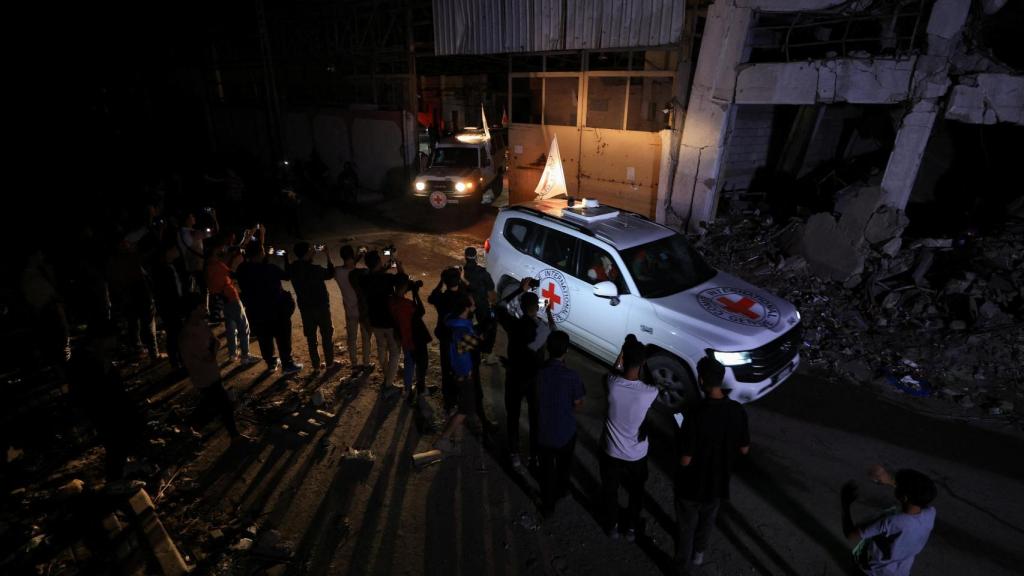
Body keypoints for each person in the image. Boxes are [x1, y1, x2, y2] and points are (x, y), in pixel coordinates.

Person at [674, 351, 750, 574]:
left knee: (686, 526)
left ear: (700, 380)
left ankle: (680, 567)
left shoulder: (695, 413)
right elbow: (744, 448)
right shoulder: (737, 411)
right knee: (707, 520)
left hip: (692, 484)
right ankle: (699, 553)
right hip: (718, 482)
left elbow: (685, 460)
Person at [601, 335, 659, 542]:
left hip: (611, 452)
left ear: (624, 358)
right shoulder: (649, 393)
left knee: (610, 490)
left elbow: (614, 369)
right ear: (643, 363)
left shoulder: (612, 384)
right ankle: (632, 529)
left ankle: (612, 526)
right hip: (636, 454)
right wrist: (644, 362)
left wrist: (622, 353)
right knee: (636, 492)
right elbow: (652, 381)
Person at [495, 278, 554, 469]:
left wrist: (520, 289)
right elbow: (554, 330)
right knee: (535, 416)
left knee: (513, 415)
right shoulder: (542, 328)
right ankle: (534, 456)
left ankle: (514, 454)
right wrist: (549, 311)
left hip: (515, 375)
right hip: (535, 377)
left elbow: (500, 306)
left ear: (520, 306)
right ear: (536, 308)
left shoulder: (514, 324)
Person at [179, 294, 249, 442]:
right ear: (193, 310)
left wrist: (212, 348)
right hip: (203, 377)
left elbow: (215, 343)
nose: (206, 308)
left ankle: (187, 426)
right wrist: (213, 348)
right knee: (224, 405)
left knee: (209, 404)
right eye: (201, 306)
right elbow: (210, 353)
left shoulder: (200, 324)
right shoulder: (190, 334)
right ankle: (234, 435)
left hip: (211, 372)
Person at [841, 466, 937, 576]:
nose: (895, 484)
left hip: (870, 572)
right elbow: (915, 495)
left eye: (898, 484)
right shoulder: (930, 513)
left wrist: (845, 504)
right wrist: (889, 480)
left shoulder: (891, 521)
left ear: (904, 497)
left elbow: (850, 534)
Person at [234, 229, 303, 375]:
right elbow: (287, 276)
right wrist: (285, 258)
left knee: (264, 338)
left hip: (256, 311)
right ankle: (287, 363)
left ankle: (271, 363)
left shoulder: (242, 270)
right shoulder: (270, 268)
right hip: (276, 310)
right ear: (261, 253)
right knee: (283, 337)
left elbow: (243, 264)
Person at [534, 330, 584, 515]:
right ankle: (563, 490)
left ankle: (548, 506)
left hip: (544, 432)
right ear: (567, 351)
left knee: (547, 471)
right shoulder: (572, 376)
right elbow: (578, 404)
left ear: (547, 348)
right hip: (566, 432)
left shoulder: (539, 373)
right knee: (564, 466)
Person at [436, 293, 483, 453]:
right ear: (466, 308)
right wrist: (482, 333)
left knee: (460, 408)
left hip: (455, 372)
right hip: (464, 374)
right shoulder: (462, 331)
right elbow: (477, 344)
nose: (475, 306)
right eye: (472, 304)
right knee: (464, 411)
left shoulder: (452, 322)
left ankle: (457, 443)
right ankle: (444, 439)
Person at [288, 242, 338, 372]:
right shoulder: (315, 269)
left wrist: (310, 253)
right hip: (321, 308)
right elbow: (331, 273)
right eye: (310, 250)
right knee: (326, 335)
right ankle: (330, 363)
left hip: (306, 309)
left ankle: (316, 366)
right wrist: (327, 254)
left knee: (311, 338)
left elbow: (293, 268)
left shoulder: (293, 268)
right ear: (307, 253)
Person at [207, 244, 258, 365]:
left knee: (230, 328)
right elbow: (234, 274)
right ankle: (245, 356)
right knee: (243, 327)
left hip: (223, 300)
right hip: (231, 298)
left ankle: (233, 354)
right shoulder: (219, 266)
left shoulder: (208, 267)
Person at [361, 250, 402, 393]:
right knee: (395, 352)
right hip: (389, 321)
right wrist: (398, 263)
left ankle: (387, 375)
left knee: (381, 347)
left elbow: (374, 276)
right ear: (378, 262)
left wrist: (384, 267)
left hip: (374, 320)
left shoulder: (365, 279)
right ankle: (389, 384)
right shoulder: (387, 278)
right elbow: (402, 279)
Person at [390, 274, 431, 406]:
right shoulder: (407, 304)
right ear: (404, 287)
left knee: (409, 364)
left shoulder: (391, 301)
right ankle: (421, 390)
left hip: (404, 339)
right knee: (421, 364)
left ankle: (407, 390)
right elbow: (421, 311)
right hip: (415, 339)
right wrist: (415, 293)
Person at [428, 267, 465, 411]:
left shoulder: (441, 298)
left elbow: (431, 297)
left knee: (446, 367)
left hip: (445, 337)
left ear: (445, 281)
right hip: (460, 337)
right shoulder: (463, 297)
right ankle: (458, 397)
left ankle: (448, 399)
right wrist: (460, 277)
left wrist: (440, 283)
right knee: (460, 367)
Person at [334, 245, 372, 369]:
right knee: (366, 338)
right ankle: (366, 362)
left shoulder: (337, 271)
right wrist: (364, 255)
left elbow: (347, 266)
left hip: (350, 311)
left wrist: (357, 255)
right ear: (352, 255)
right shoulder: (361, 273)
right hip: (363, 310)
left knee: (352, 339)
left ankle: (354, 363)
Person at [152, 242, 187, 369]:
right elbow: (166, 291)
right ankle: (177, 363)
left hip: (172, 305)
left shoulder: (169, 266)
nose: (177, 252)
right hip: (170, 307)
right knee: (174, 334)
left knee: (175, 333)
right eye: (174, 249)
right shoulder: (162, 269)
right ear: (167, 252)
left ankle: (179, 361)